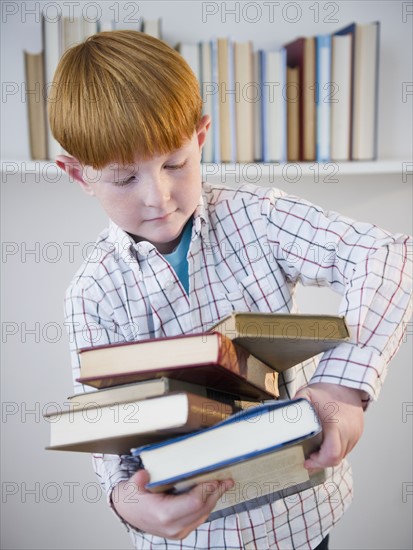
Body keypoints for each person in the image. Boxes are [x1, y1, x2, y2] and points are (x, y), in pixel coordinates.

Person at [50, 30, 412, 549]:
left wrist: (342, 388)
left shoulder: (257, 217)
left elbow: (388, 253)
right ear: (78, 174)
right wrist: (132, 506)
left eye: (175, 163)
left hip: (303, 523)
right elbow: (112, 448)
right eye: (125, 179)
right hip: (193, 541)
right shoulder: (92, 293)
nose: (159, 197)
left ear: (200, 138)